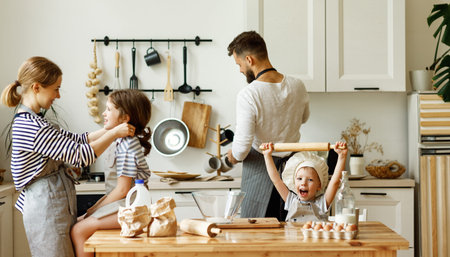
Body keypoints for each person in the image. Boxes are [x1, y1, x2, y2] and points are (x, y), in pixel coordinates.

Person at [0, 56, 135, 257]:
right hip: (45, 205)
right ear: (37, 87)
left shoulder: (34, 120)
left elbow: (76, 139)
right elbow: (80, 156)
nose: (58, 95)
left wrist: (111, 128)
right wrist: (114, 133)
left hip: (50, 201)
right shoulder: (31, 126)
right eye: (56, 88)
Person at [226, 31, 310, 219]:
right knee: (291, 232)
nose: (240, 70)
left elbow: (241, 150)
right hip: (293, 173)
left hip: (259, 173)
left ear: (249, 59)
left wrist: (229, 158)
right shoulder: (297, 86)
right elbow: (304, 118)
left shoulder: (249, 94)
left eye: (239, 64)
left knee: (256, 236)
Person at [71, 89, 152, 257]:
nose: (103, 113)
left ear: (125, 118)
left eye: (108, 109)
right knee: (79, 222)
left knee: (79, 230)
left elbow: (122, 191)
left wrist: (92, 211)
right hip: (121, 205)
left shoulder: (127, 145)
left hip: (132, 209)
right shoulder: (121, 141)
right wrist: (91, 211)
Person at [260, 142, 348, 221]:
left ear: (319, 185)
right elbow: (276, 180)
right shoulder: (291, 200)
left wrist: (342, 156)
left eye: (310, 179)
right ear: (294, 183)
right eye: (299, 179)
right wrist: (267, 156)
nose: (303, 183)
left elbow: (335, 182)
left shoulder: (322, 203)